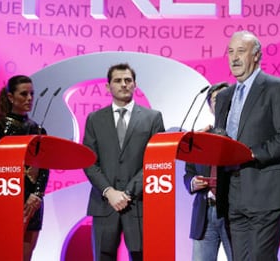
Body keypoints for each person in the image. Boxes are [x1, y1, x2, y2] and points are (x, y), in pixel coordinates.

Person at [214, 30, 280, 260]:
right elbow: (225, 137)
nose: (234, 58)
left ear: (256, 56)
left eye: (241, 52)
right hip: (232, 191)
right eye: (230, 52)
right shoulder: (225, 96)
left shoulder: (277, 87)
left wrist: (251, 154)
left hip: (266, 189)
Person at [83, 63, 165, 261]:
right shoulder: (94, 119)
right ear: (108, 86)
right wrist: (109, 192)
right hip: (104, 204)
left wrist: (128, 193)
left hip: (138, 204)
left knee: (142, 256)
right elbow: (88, 161)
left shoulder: (152, 117)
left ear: (135, 85)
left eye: (128, 80)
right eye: (118, 81)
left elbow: (156, 161)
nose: (123, 84)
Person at [0, 75, 49, 261]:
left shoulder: (39, 130)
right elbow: (2, 168)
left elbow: (45, 166)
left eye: (31, 94)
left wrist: (37, 194)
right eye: (24, 94)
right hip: (9, 199)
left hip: (34, 203)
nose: (29, 98)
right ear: (10, 97)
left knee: (26, 257)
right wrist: (25, 195)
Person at [183, 82, 233, 261]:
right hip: (204, 213)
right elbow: (188, 171)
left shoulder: (240, 134)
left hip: (232, 212)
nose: (220, 102)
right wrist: (192, 182)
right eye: (215, 99)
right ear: (210, 106)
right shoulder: (201, 137)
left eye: (224, 97)